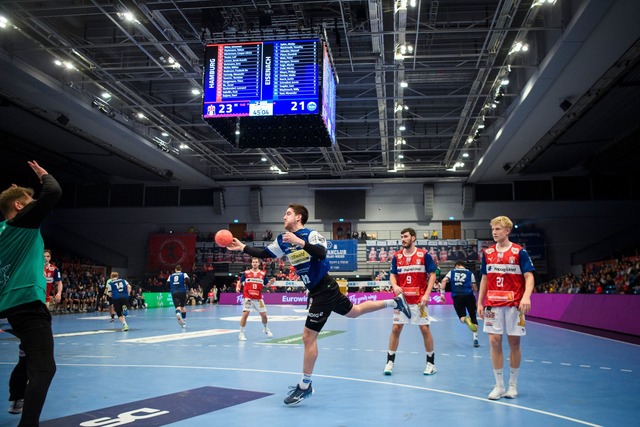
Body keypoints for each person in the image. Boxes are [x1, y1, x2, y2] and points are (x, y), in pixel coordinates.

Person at [227, 204, 411, 405]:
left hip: (324, 289)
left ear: (298, 217)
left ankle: (305, 386)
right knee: (354, 312)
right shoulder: (283, 240)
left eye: (288, 213)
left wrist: (300, 242)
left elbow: (322, 253)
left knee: (308, 336)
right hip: (320, 290)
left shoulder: (311, 235)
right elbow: (264, 254)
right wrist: (242, 247)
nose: (283, 216)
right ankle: (394, 302)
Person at [0, 160, 61, 425]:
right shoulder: (22, 225)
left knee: (28, 354)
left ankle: (16, 396)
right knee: (45, 368)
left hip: (8, 309)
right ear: (19, 207)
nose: (34, 203)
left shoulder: (3, 231)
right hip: (27, 305)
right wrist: (42, 174)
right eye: (29, 200)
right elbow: (54, 192)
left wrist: (18, 196)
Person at [477, 215, 535, 400]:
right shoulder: (487, 253)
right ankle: (499, 385)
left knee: (514, 343)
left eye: (498, 229)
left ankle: (513, 385)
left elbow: (529, 276)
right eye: (493, 229)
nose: (494, 232)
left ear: (507, 231)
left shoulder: (519, 252)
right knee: (494, 342)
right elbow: (484, 278)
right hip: (493, 304)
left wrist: (526, 296)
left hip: (513, 305)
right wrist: (479, 301)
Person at [383, 227, 438, 376]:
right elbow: (393, 275)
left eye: (406, 236)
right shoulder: (397, 256)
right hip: (402, 301)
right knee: (395, 329)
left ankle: (430, 363)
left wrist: (427, 294)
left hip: (419, 300)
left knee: (425, 330)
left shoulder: (424, 255)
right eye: (401, 237)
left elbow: (432, 275)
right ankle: (389, 362)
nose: (403, 239)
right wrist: (394, 286)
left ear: (413, 238)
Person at [441, 260, 480, 347]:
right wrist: (476, 298)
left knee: (462, 317)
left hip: (457, 296)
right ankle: (476, 339)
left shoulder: (452, 272)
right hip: (469, 296)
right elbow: (474, 288)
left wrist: (442, 294)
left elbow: (443, 281)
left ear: (457, 266)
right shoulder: (470, 273)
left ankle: (466, 320)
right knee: (473, 317)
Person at [236, 257, 275, 340]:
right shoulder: (246, 273)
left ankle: (265, 328)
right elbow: (240, 281)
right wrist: (237, 287)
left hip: (258, 298)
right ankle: (241, 333)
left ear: (258, 264)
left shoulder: (262, 274)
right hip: (248, 297)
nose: (254, 263)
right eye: (253, 262)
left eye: (256, 262)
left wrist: (271, 282)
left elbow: (266, 285)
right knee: (245, 314)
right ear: (251, 263)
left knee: (264, 315)